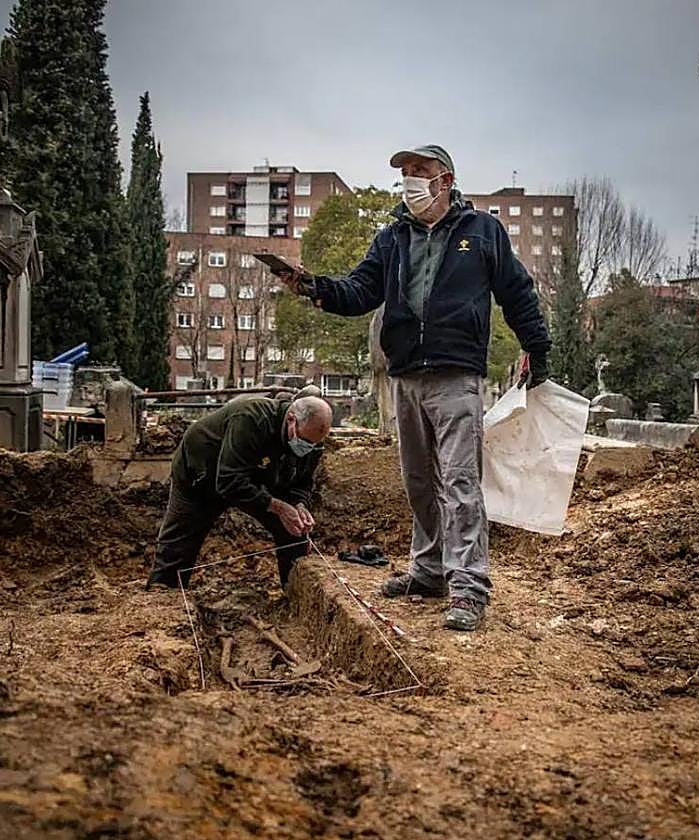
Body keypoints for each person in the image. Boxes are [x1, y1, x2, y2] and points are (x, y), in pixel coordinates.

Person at [278, 145, 551, 631]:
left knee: (460, 482)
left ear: (445, 180)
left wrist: (537, 346)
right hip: (406, 374)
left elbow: (516, 291)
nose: (410, 181)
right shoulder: (392, 238)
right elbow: (360, 291)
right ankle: (429, 572)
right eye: (405, 173)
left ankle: (469, 587)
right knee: (419, 481)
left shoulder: (481, 232)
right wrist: (313, 287)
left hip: (456, 374)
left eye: (419, 171)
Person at [148, 394, 333, 591]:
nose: (307, 448)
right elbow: (228, 481)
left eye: (313, 444)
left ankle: (294, 594)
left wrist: (299, 504)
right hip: (202, 474)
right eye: (303, 441)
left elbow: (302, 481)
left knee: (294, 530)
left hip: (257, 474)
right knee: (179, 544)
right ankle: (163, 592)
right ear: (291, 419)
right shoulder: (251, 418)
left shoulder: (312, 441)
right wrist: (278, 507)